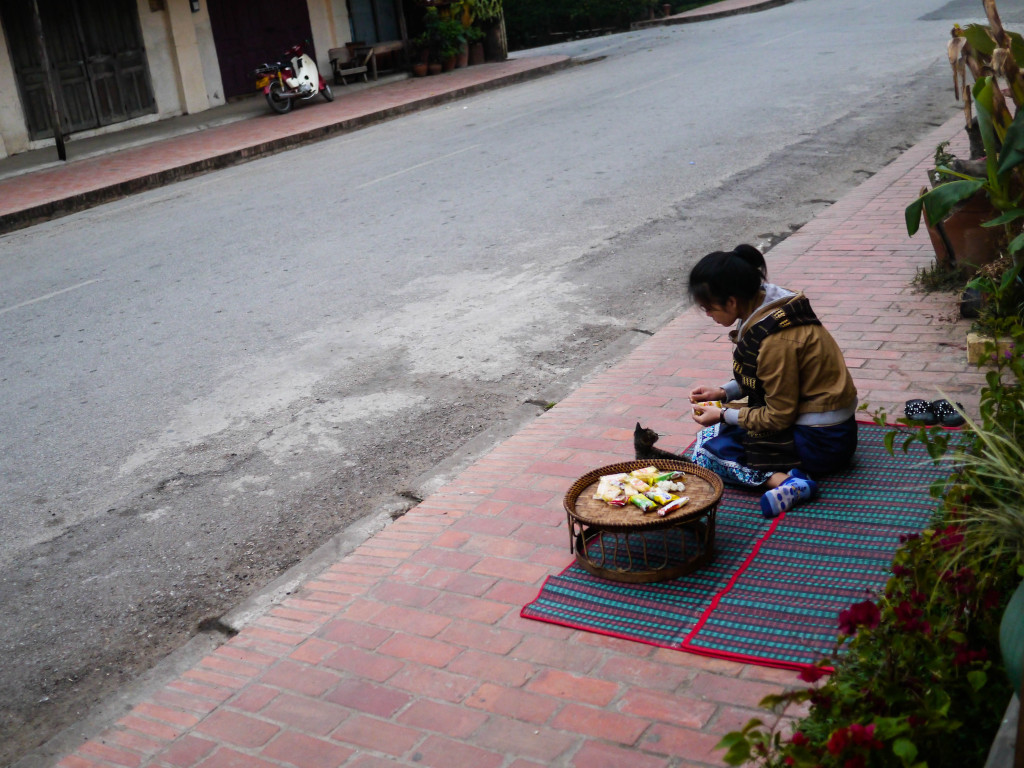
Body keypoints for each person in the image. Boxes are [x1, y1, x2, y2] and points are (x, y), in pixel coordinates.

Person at [687, 245, 859, 518]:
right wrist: (723, 392)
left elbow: (777, 417)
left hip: (823, 443)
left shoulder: (776, 340)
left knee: (707, 453)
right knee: (714, 434)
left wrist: (722, 414)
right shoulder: (773, 305)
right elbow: (767, 380)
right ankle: (791, 473)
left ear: (731, 301)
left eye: (709, 308)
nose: (708, 315)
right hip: (830, 429)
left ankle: (790, 482)